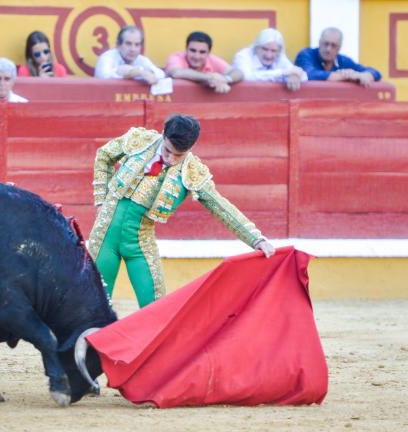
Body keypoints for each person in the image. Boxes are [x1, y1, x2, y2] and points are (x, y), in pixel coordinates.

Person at [87, 114, 275, 308]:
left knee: (155, 306)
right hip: (104, 235)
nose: (170, 159)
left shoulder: (192, 170)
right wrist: (101, 201)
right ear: (163, 135)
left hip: (139, 242)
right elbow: (104, 156)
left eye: (179, 155)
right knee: (94, 304)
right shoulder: (139, 140)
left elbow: (220, 206)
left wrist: (256, 238)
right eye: (168, 151)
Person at [295, 27, 381, 87]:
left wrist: (363, 75)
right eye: (326, 43)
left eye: (333, 45)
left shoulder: (343, 60)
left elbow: (376, 73)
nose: (328, 49)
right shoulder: (306, 55)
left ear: (339, 48)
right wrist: (344, 76)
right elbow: (309, 74)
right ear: (319, 42)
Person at [165, 31, 243, 94]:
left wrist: (225, 79)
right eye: (193, 50)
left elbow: (238, 73)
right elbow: (176, 72)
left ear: (208, 53)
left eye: (202, 52)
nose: (197, 56)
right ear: (186, 49)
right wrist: (210, 78)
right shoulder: (176, 57)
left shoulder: (212, 59)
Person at [232, 28, 306, 91]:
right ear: (257, 47)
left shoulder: (280, 57)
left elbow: (304, 76)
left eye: (273, 51)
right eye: (265, 49)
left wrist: (295, 75)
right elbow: (247, 77)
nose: (268, 55)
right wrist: (282, 73)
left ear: (279, 52)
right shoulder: (243, 56)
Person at [94, 25, 165, 84]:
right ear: (118, 45)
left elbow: (161, 75)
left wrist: (140, 72)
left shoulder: (141, 60)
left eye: (137, 45)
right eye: (128, 44)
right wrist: (138, 72)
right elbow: (103, 76)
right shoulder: (107, 57)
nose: (133, 49)